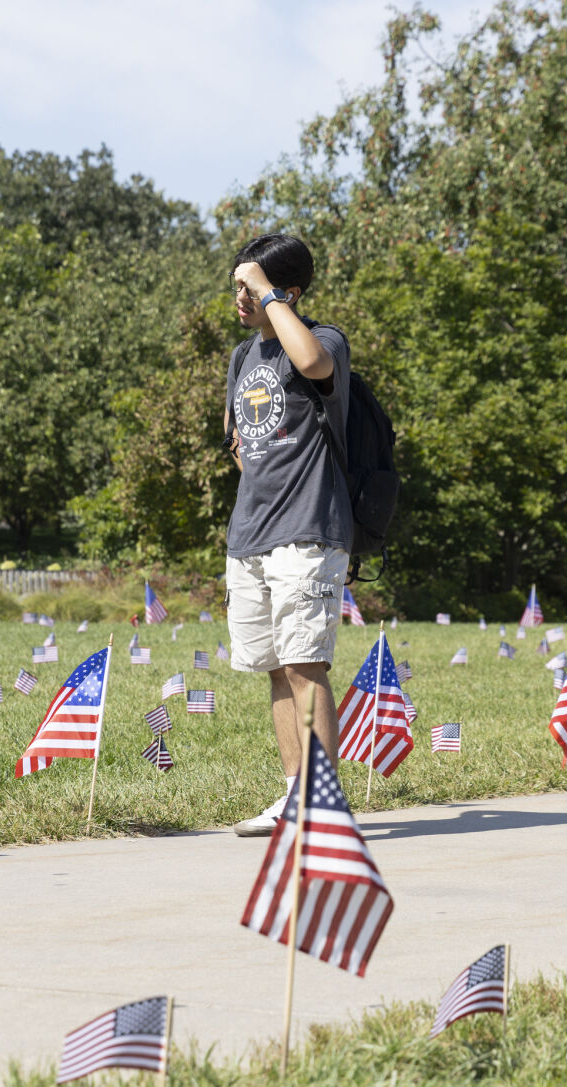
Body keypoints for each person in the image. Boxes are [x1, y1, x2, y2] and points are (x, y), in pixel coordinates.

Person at [223, 234, 350, 837]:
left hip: (308, 530)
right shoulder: (243, 357)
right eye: (238, 287)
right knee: (276, 667)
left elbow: (313, 368)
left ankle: (322, 807)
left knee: (306, 663)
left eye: (249, 287)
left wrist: (273, 298)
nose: (239, 298)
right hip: (251, 534)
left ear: (287, 292)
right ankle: (295, 796)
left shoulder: (323, 340)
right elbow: (241, 445)